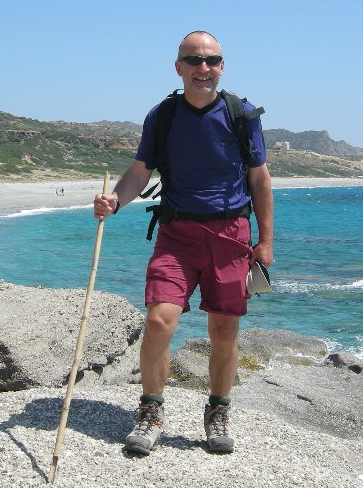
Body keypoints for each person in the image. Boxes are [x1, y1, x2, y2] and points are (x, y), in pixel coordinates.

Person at [93, 30, 274, 455]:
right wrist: (115, 201)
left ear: (222, 67)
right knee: (159, 321)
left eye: (211, 60)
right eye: (194, 61)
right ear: (179, 67)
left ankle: (218, 411)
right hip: (177, 235)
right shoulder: (163, 116)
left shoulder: (242, 114)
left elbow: (259, 179)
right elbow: (140, 171)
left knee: (224, 329)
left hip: (230, 235)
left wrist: (265, 242)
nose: (203, 68)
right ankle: (151, 411)